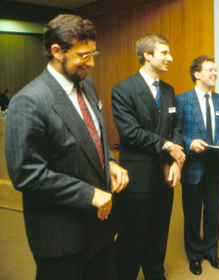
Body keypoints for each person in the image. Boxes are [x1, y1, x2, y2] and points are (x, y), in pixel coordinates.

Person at [4, 14, 129, 279]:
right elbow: (26, 173)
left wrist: (112, 162)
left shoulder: (87, 85)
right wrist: (88, 194)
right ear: (56, 51)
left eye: (93, 53)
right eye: (84, 56)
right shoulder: (29, 101)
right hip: (61, 236)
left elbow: (92, 136)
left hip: (100, 227)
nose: (92, 63)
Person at [112, 33, 185, 280]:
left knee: (159, 235)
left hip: (164, 179)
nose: (170, 58)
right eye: (164, 53)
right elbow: (131, 133)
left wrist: (175, 161)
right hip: (138, 178)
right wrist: (168, 147)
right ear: (147, 55)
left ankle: (156, 274)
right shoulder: (123, 89)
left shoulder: (168, 90)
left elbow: (176, 127)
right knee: (133, 237)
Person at [176, 55, 219, 275]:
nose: (214, 73)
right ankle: (194, 255)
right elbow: (176, 133)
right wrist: (190, 143)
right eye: (210, 70)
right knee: (191, 214)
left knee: (213, 212)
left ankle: (211, 251)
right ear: (197, 74)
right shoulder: (182, 100)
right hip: (193, 167)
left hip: (215, 166)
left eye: (216, 70)